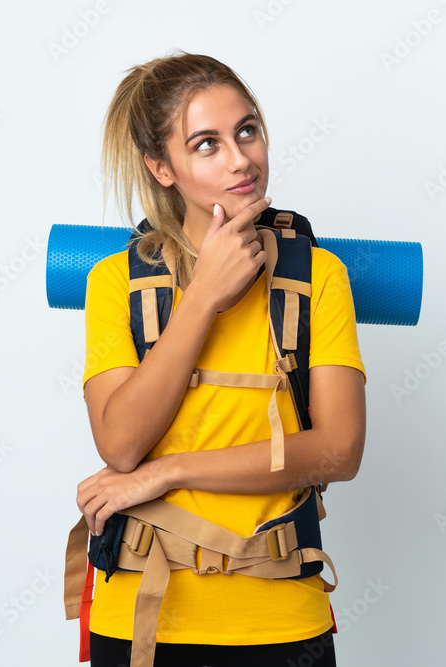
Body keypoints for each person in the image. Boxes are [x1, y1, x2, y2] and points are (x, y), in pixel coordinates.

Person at [75, 51, 367, 667]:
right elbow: (121, 446)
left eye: (247, 131)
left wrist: (169, 472)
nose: (240, 159)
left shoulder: (317, 276)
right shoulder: (113, 283)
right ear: (162, 167)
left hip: (281, 624)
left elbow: (340, 451)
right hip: (140, 625)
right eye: (205, 144)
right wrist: (203, 295)